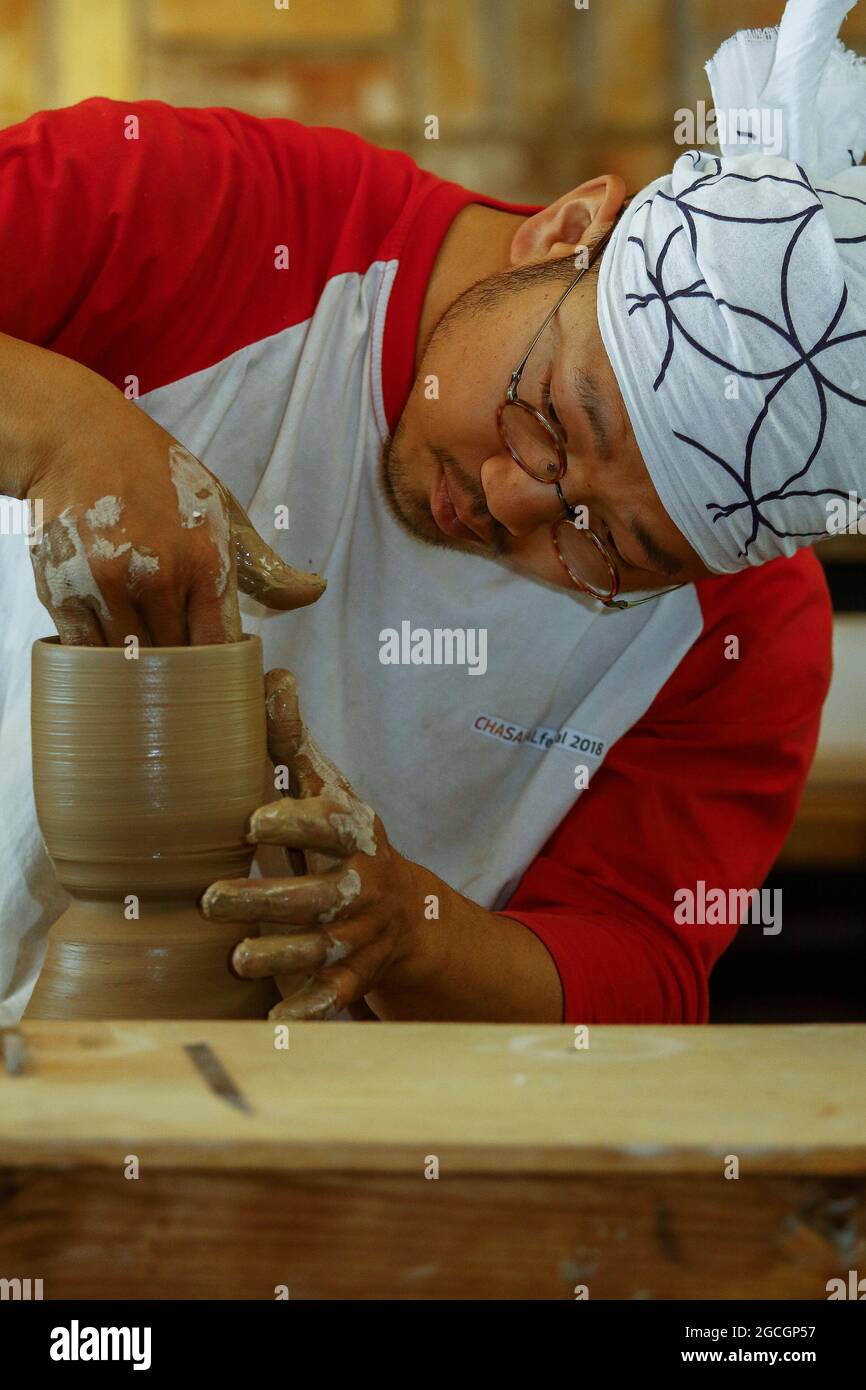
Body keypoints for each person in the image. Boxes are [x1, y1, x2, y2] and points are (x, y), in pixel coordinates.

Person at [0, 0, 859, 1025]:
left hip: (290, 1144)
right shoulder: (191, 208)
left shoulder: (743, 632)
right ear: (565, 229)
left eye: (606, 549)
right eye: (545, 419)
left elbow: (634, 964)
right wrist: (58, 423)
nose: (507, 499)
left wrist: (411, 932)